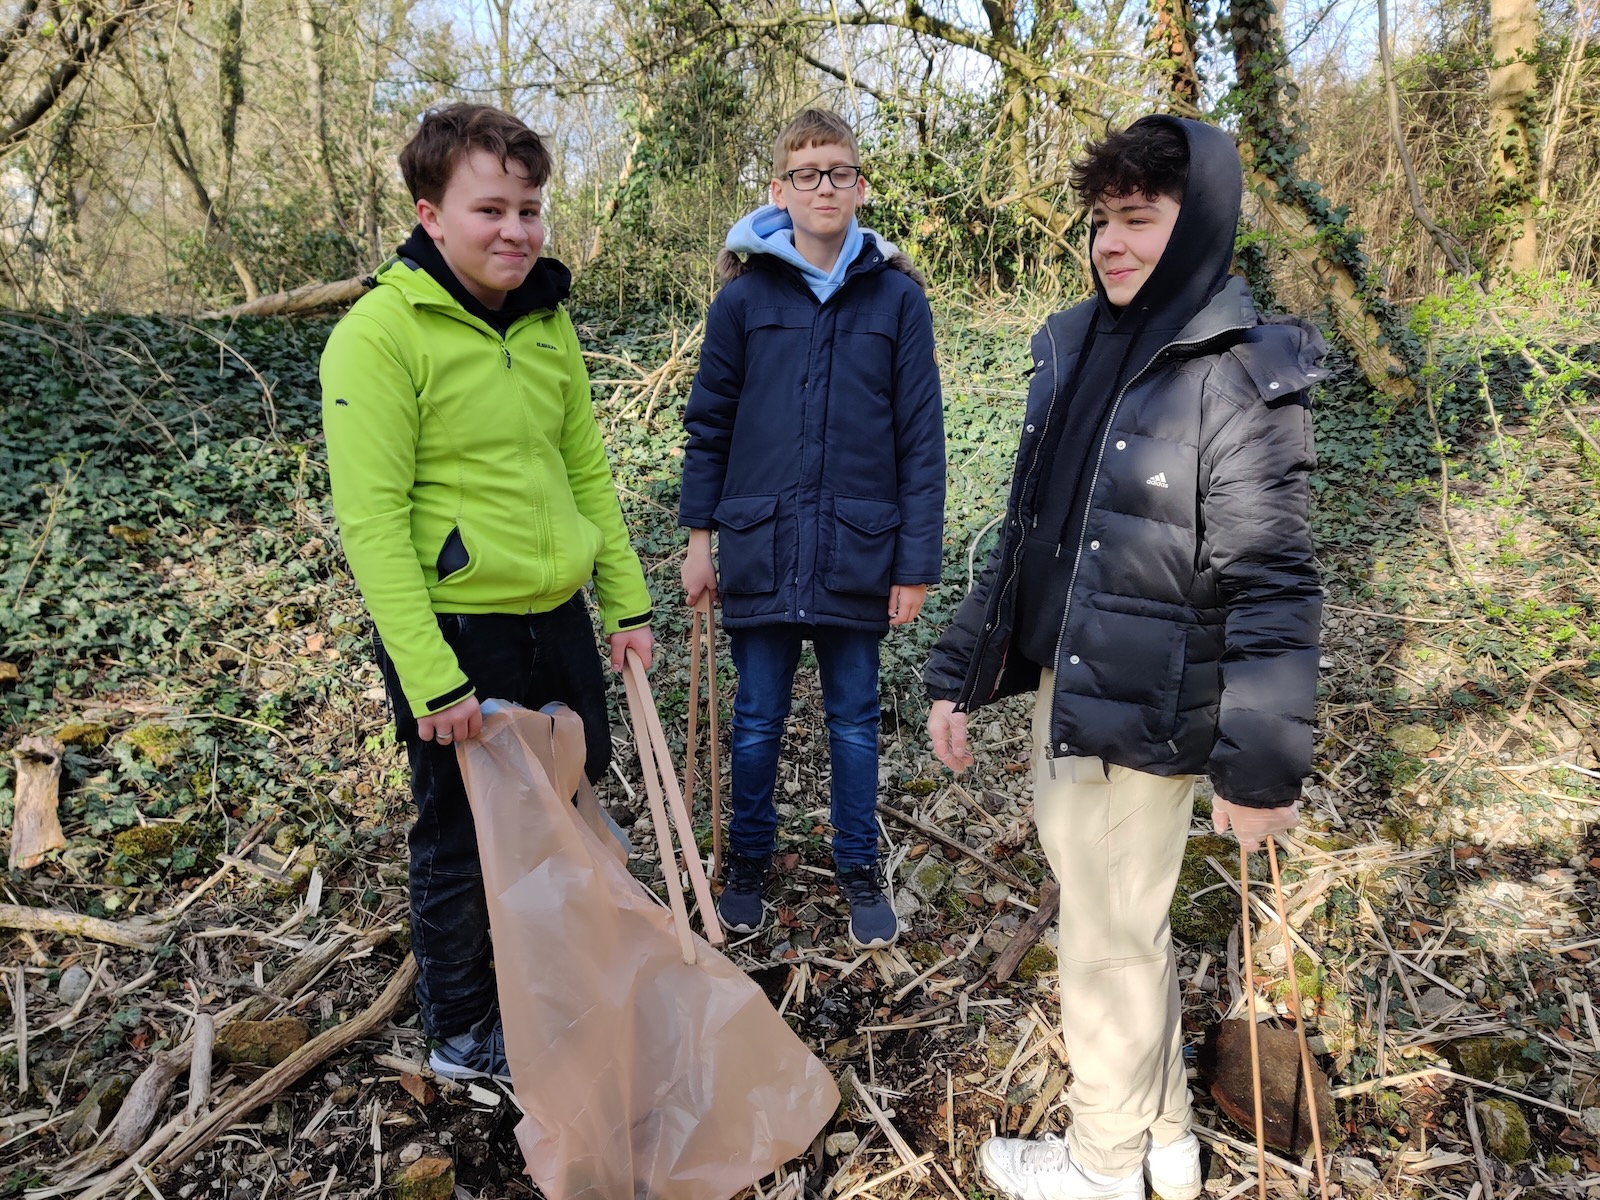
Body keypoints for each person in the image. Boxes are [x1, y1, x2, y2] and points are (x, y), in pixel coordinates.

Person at [924, 116, 1326, 1200]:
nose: (1109, 243)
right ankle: (1165, 1143)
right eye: (1102, 221)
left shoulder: (1233, 376)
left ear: (1196, 229)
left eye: (1138, 220)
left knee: (1106, 940)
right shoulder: (1085, 347)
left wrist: (1260, 769)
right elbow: (1031, 538)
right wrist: (961, 674)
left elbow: (1272, 583)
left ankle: (1102, 1166)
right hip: (1074, 683)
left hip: (1142, 703)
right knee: (1122, 926)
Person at [321, 103, 654, 1083]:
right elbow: (373, 524)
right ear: (430, 215)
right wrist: (432, 679)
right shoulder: (378, 336)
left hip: (558, 615)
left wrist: (627, 604)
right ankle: (465, 1031)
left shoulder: (547, 319)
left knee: (571, 796)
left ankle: (558, 984)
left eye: (530, 209)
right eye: (490, 210)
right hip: (457, 631)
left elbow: (585, 468)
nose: (516, 231)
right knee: (463, 833)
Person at [678, 107, 945, 950]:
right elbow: (709, 426)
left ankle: (858, 865)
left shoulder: (897, 299)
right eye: (806, 174)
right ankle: (746, 866)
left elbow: (921, 438)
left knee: (854, 720)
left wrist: (915, 564)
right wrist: (699, 541)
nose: (823, 187)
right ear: (778, 190)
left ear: (860, 187)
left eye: (839, 173)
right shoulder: (742, 301)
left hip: (856, 549)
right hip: (759, 545)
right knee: (757, 718)